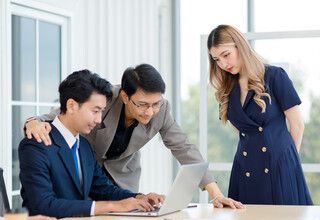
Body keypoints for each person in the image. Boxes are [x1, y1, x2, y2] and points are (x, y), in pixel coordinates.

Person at [24, 64, 244, 209]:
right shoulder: (103, 98)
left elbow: (184, 148)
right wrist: (33, 122)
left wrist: (215, 194)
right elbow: (61, 114)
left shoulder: (161, 109)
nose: (150, 111)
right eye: (143, 105)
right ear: (125, 97)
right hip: (82, 177)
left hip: (119, 181)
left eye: (155, 104)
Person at [19, 70, 165, 219]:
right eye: (95, 111)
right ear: (71, 106)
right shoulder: (36, 145)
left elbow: (103, 189)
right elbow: (42, 205)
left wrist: (138, 198)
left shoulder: (83, 145)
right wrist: (111, 206)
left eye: (101, 111)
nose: (99, 120)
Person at [207, 24, 313, 205]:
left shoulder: (274, 76)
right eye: (217, 59)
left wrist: (287, 164)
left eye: (226, 55)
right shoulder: (226, 90)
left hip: (280, 164)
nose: (223, 64)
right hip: (245, 167)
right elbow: (241, 133)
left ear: (240, 46)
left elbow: (297, 125)